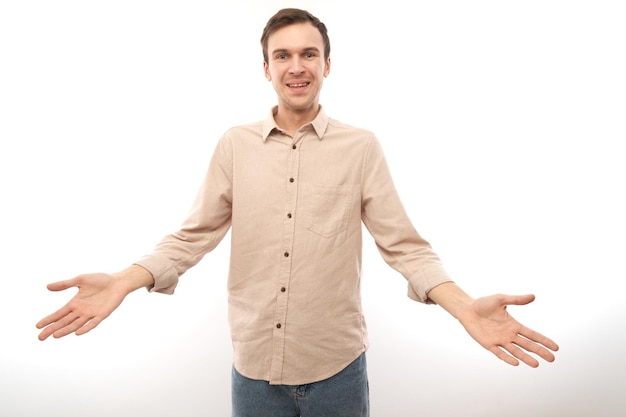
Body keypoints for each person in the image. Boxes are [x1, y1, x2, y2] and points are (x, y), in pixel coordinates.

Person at [36, 8, 559, 417]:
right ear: (266, 69)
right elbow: (190, 237)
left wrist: (465, 307)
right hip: (254, 370)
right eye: (282, 56)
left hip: (338, 370)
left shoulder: (361, 147)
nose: (297, 66)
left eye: (309, 54)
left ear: (327, 65)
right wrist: (123, 282)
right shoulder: (235, 145)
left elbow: (405, 247)